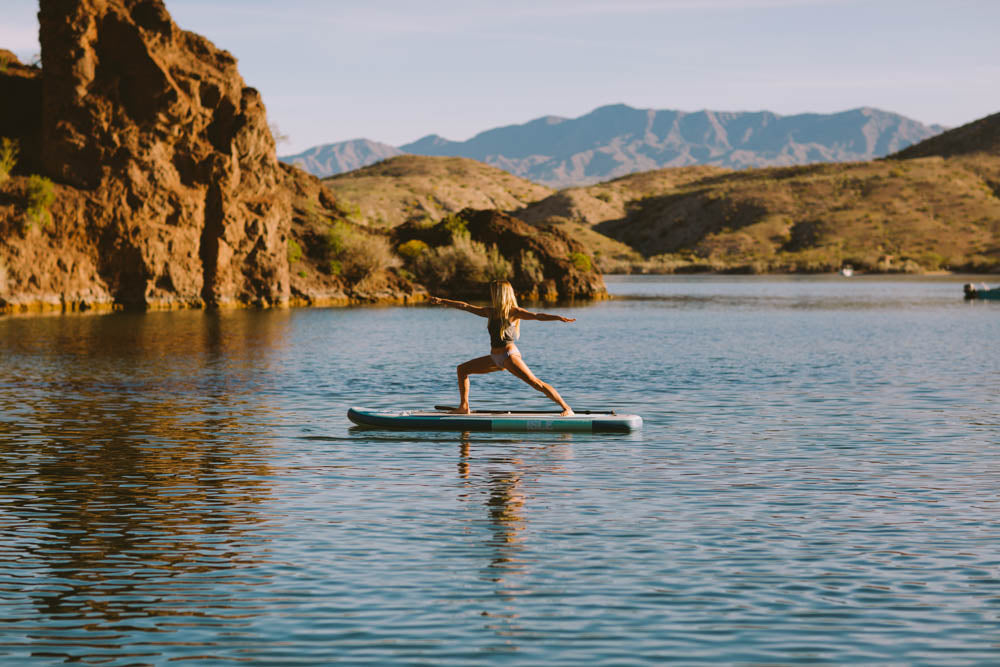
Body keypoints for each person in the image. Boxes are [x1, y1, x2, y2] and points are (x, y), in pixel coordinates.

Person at [428, 280, 575, 415]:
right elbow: (465, 306)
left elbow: (537, 315)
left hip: (509, 356)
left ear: (500, 294)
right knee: (462, 369)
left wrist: (557, 317)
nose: (491, 294)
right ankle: (464, 407)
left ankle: (566, 408)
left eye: (493, 291)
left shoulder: (513, 312)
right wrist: (442, 301)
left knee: (535, 383)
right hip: (495, 357)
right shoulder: (490, 312)